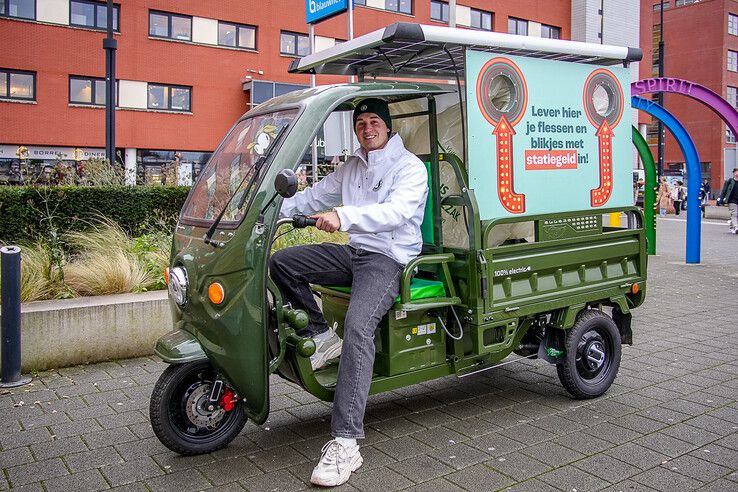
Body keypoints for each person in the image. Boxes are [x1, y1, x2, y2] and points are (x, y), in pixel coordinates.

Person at [269, 98, 428, 487]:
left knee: (358, 328)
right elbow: (314, 197)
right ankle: (322, 336)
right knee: (283, 262)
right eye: (360, 123)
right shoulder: (353, 166)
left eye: (374, 121)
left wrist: (345, 216)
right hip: (354, 252)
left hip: (388, 258)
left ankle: (346, 442)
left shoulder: (410, 167)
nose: (367, 128)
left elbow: (397, 212)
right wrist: (267, 209)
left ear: (388, 127)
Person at [718, 167, 738, 234]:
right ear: (733, 173)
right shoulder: (729, 181)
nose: (737, 174)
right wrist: (721, 199)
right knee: (734, 214)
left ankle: (732, 227)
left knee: (736, 215)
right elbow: (724, 191)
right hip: (732, 201)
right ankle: (736, 227)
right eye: (736, 172)